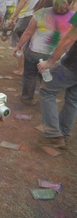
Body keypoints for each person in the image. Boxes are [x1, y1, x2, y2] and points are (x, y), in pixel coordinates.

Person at [12, 0, 76, 105]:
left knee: (29, 75)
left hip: (35, 52)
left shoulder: (41, 13)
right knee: (48, 78)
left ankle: (27, 98)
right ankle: (46, 101)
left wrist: (18, 46)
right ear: (71, 2)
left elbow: (28, 32)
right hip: (56, 56)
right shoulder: (73, 18)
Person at [9, 0, 54, 76]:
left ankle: (21, 69)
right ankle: (38, 70)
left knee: (21, 43)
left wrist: (14, 16)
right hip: (46, 18)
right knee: (37, 44)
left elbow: (24, 0)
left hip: (29, 15)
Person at [37, 10, 77, 148]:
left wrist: (49, 62)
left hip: (71, 65)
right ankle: (64, 135)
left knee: (47, 91)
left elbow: (69, 38)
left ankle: (53, 134)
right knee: (73, 100)